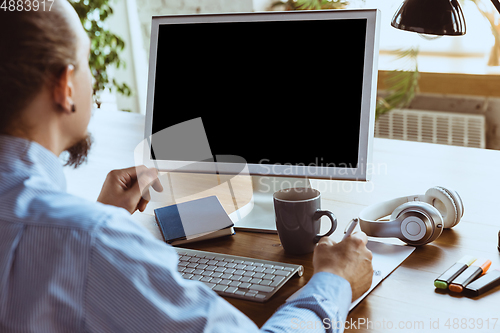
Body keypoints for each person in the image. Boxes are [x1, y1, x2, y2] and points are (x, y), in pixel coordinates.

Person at [0, 1, 373, 332]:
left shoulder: (78, 236)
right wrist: (333, 281)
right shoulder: (89, 240)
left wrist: (98, 217)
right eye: (85, 63)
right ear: (66, 86)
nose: (92, 80)